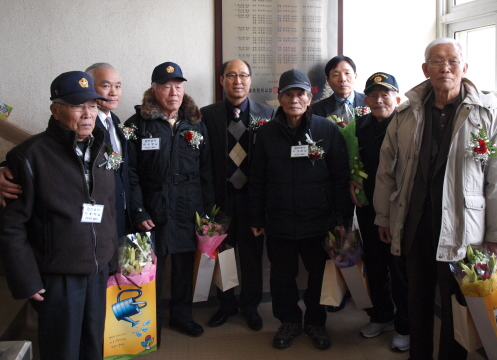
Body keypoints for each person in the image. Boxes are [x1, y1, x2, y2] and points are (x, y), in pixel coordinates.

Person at [374, 38, 497, 360]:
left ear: (464, 67)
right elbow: (387, 167)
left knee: (457, 306)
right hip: (415, 223)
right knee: (417, 300)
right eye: (437, 61)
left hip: (463, 228)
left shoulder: (486, 113)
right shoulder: (407, 112)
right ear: (425, 69)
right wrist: (383, 216)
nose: (445, 68)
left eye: (453, 61)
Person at [0, 71, 118, 360]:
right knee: (62, 350)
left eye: (92, 106)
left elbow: (108, 206)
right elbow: (11, 227)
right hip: (58, 275)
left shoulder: (103, 149)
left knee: (93, 346)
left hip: (97, 269)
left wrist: (111, 258)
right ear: (56, 110)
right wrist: (26, 279)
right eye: (78, 106)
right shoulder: (30, 155)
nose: (87, 114)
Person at [249, 69, 353, 351]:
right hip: (279, 221)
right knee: (282, 278)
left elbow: (340, 178)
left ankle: (316, 322)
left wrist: (341, 220)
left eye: (300, 94)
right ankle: (289, 321)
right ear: (279, 97)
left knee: (318, 277)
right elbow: (257, 179)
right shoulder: (266, 133)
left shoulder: (326, 130)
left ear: (309, 97)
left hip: (318, 222)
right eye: (288, 94)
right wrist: (257, 217)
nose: (294, 100)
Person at [125, 61, 214, 340]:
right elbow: (129, 173)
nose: (173, 92)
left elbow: (206, 169)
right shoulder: (137, 124)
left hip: (188, 206)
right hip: (153, 206)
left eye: (178, 86)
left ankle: (182, 316)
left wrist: (207, 212)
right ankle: (150, 323)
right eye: (166, 87)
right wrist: (138, 210)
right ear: (153, 90)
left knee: (184, 267)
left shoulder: (195, 123)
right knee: (151, 269)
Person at [0, 63, 131, 237]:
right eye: (78, 106)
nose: (87, 114)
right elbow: (40, 154)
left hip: (108, 225)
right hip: (63, 242)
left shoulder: (114, 126)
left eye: (118, 86)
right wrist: (4, 168)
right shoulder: (35, 152)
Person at [200, 59, 275, 331]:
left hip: (252, 199)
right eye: (231, 75)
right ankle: (226, 304)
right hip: (222, 199)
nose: (238, 80)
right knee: (225, 255)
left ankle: (250, 306)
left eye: (243, 75)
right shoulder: (206, 115)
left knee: (252, 257)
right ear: (222, 80)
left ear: (250, 80)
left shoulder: (267, 113)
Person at [350, 72, 410, 352]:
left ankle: (404, 326)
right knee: (374, 265)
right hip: (369, 208)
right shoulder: (358, 127)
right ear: (365, 100)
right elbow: (352, 163)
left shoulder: (406, 126)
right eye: (372, 95)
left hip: (399, 209)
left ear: (397, 98)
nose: (379, 100)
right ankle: (381, 316)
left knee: (399, 269)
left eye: (385, 94)